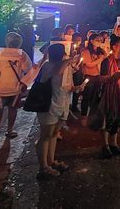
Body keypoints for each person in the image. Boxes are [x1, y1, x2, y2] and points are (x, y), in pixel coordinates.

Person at [35, 44, 85, 180]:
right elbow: (57, 71)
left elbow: (66, 85)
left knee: (53, 134)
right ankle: (43, 167)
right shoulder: (48, 66)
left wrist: (76, 88)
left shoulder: (66, 66)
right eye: (64, 53)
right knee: (45, 136)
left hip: (62, 106)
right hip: (49, 107)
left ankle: (51, 162)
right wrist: (71, 59)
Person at [0, 32, 32, 142]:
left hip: (15, 89)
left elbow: (28, 69)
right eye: (13, 42)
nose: (14, 44)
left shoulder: (22, 55)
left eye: (16, 42)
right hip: (1, 89)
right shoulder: (0, 54)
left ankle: (9, 130)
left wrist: (23, 61)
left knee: (12, 109)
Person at [94, 35, 120, 158]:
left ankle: (113, 144)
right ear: (114, 47)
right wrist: (112, 77)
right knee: (108, 118)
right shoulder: (107, 61)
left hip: (119, 92)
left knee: (118, 118)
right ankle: (105, 146)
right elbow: (100, 79)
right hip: (108, 93)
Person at [80, 33, 106, 127]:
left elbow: (105, 59)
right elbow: (89, 64)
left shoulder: (101, 51)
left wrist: (103, 55)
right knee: (86, 97)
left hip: (98, 77)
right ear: (91, 41)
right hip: (89, 77)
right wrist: (100, 59)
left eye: (100, 40)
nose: (99, 41)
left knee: (95, 98)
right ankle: (83, 116)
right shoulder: (86, 51)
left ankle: (92, 116)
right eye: (97, 40)